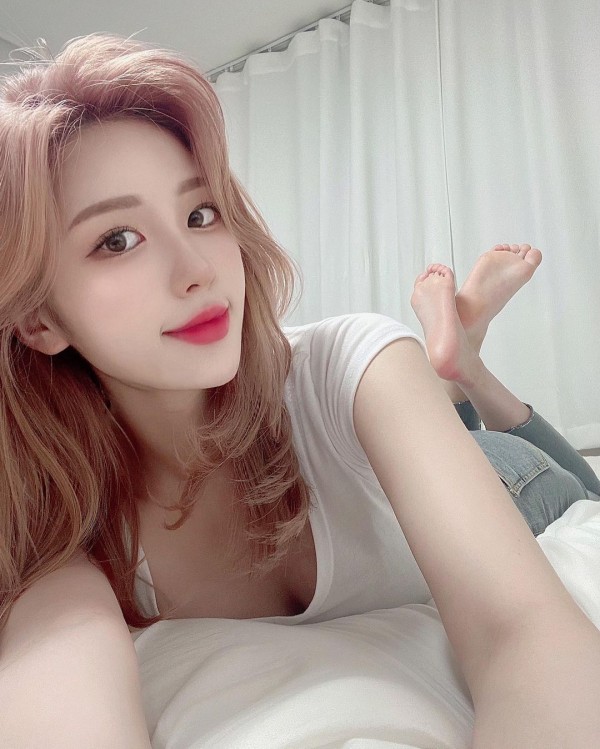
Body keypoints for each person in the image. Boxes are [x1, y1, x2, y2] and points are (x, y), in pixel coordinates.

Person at [0, 32, 599, 749]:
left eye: (200, 214)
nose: (198, 270)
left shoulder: (353, 362)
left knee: (583, 490)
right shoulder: (68, 526)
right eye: (117, 240)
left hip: (513, 481)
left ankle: (462, 369)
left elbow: (531, 639)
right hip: (400, 450)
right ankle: (457, 367)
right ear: (37, 319)